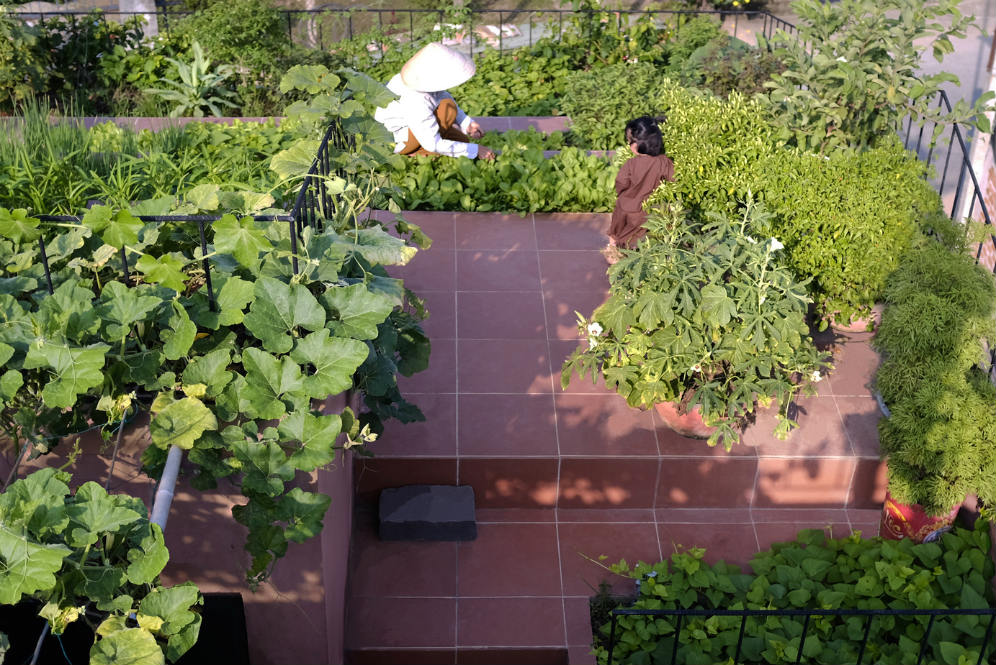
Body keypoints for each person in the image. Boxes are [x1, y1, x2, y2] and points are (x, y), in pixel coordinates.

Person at [374, 42, 495, 161]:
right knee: (447, 123)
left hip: (413, 127)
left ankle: (427, 148)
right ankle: (415, 151)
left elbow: (443, 96)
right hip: (396, 140)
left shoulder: (421, 79)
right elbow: (432, 144)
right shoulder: (416, 99)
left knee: (460, 134)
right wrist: (476, 150)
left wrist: (467, 124)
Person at [605, 116, 674, 264]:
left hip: (625, 206)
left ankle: (613, 251)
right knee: (636, 235)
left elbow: (621, 182)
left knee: (616, 230)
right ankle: (633, 255)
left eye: (629, 141)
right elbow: (673, 180)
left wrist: (623, 193)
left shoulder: (631, 164)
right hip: (645, 209)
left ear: (637, 145)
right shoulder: (664, 162)